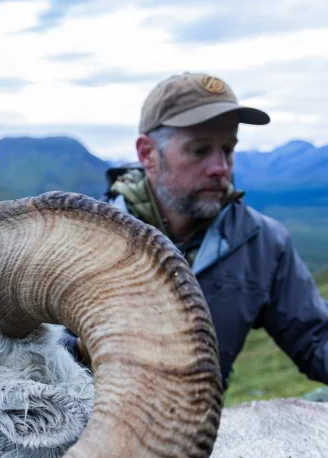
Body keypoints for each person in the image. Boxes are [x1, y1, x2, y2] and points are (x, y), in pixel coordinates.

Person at [71, 71, 328, 391]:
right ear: (147, 153)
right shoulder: (87, 241)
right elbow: (47, 355)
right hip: (94, 431)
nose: (221, 167)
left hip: (198, 434)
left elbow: (316, 338)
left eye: (228, 149)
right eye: (199, 150)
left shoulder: (264, 244)